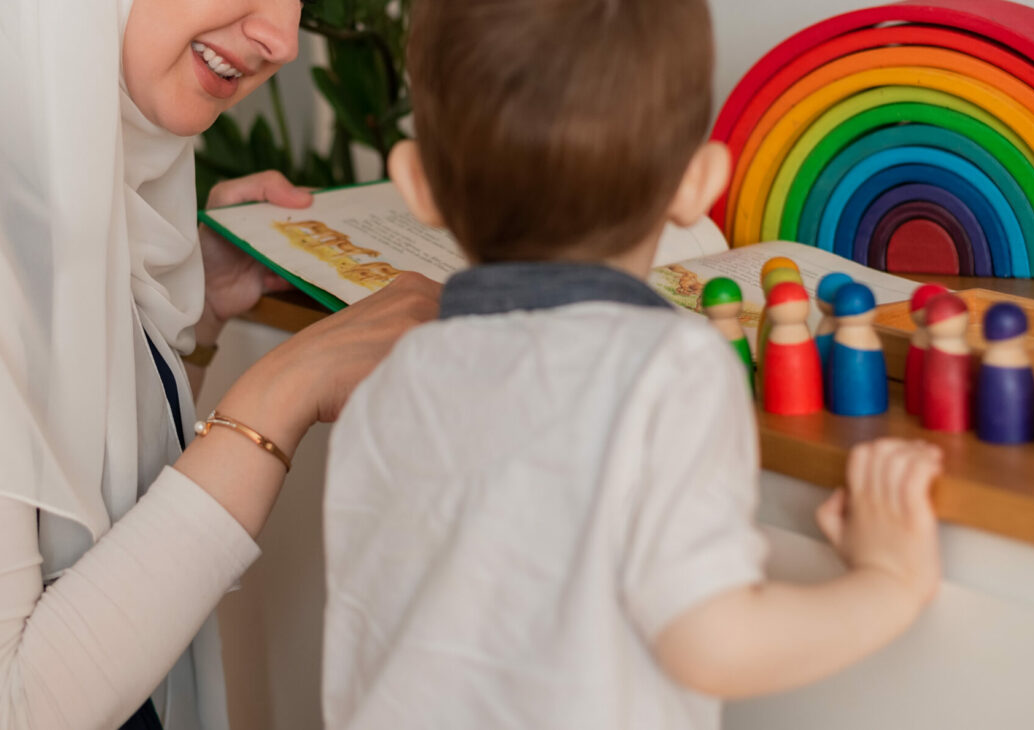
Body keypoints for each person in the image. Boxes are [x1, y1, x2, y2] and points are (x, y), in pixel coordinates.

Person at [321, 1, 943, 728]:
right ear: (697, 183)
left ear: (415, 182)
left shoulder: (390, 380)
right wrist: (890, 580)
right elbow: (712, 644)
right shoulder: (670, 371)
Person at [0, 1, 439, 728]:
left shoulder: (64, 205)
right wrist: (281, 394)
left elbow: (83, 536)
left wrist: (195, 330)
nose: (284, 40)